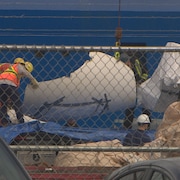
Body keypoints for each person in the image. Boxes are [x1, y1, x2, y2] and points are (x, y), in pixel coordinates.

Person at [0, 57, 39, 127]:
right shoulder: (18, 66)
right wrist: (33, 81)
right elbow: (25, 72)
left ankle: (3, 121)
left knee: (3, 103)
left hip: (1, 84)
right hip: (9, 84)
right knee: (17, 103)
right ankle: (21, 122)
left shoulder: (9, 67)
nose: (23, 75)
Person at [120, 52, 151, 129]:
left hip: (142, 83)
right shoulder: (122, 69)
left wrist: (140, 82)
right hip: (132, 86)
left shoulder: (136, 62)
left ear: (129, 61)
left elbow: (144, 73)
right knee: (130, 105)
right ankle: (127, 125)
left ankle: (147, 124)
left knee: (145, 104)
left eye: (127, 65)